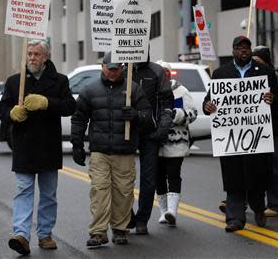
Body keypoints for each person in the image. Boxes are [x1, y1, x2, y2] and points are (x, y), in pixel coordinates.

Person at [0, 40, 76, 255]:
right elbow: (2, 108)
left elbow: (70, 106)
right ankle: (21, 234)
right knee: (24, 190)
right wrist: (11, 114)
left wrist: (47, 102)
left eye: (36, 54)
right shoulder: (15, 82)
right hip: (24, 145)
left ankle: (45, 234)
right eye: (29, 54)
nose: (32, 58)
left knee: (49, 194)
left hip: (48, 145)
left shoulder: (60, 81)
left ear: (45, 57)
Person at [71, 52, 154, 247]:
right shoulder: (89, 90)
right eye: (110, 68)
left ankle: (119, 229)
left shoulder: (133, 90)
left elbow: (149, 119)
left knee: (123, 193)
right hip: (100, 151)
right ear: (103, 66)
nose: (114, 73)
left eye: (117, 69)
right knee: (100, 191)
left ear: (123, 68)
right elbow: (79, 118)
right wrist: (77, 144)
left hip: (124, 151)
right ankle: (98, 232)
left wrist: (135, 116)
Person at [203, 36, 278, 232]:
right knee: (234, 178)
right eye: (239, 48)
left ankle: (258, 208)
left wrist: (273, 98)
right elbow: (209, 100)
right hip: (231, 139)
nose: (243, 51)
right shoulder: (221, 73)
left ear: (250, 50)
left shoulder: (265, 72)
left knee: (256, 178)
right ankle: (235, 219)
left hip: (256, 136)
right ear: (233, 51)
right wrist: (208, 106)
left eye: (246, 48)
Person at [126, 53, 174, 235]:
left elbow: (167, 101)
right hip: (127, 133)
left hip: (150, 133)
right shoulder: (124, 70)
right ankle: (127, 215)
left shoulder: (156, 71)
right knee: (124, 178)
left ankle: (142, 219)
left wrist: (162, 128)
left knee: (148, 179)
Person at [253, 46, 278, 217]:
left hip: (271, 132)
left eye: (258, 62)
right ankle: (242, 201)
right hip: (252, 133)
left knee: (273, 169)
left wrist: (274, 101)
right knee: (251, 170)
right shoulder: (246, 78)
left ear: (266, 63)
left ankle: (275, 204)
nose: (255, 65)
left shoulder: (275, 80)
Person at [156, 62, 197, 226]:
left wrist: (177, 114)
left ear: (170, 73)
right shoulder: (151, 91)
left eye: (166, 71)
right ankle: (163, 211)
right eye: (160, 72)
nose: (163, 74)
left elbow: (193, 113)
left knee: (173, 174)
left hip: (176, 142)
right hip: (157, 142)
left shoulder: (181, 91)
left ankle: (172, 211)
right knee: (158, 177)